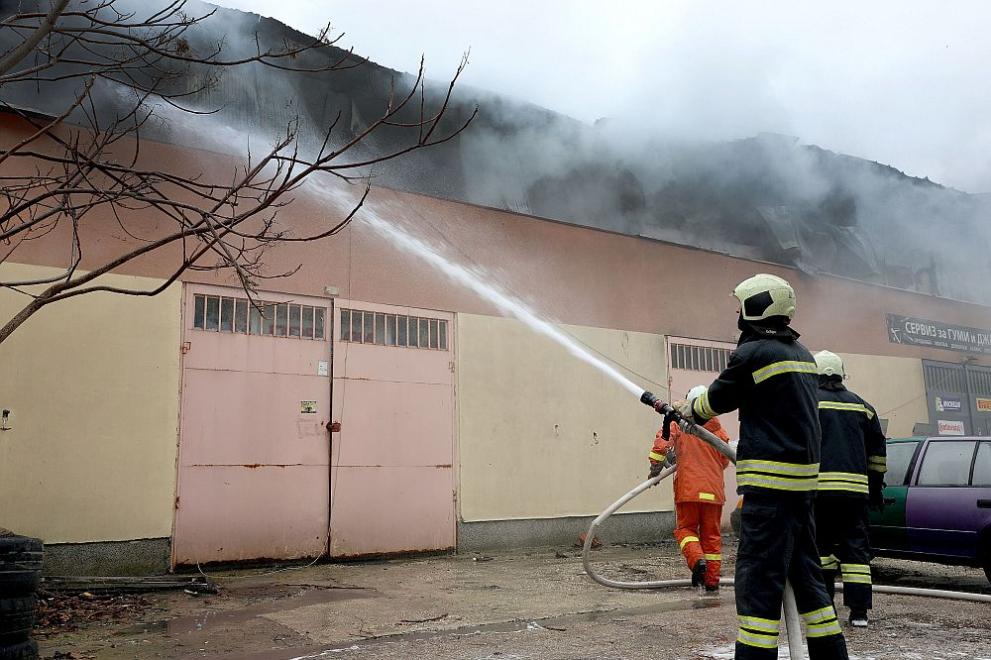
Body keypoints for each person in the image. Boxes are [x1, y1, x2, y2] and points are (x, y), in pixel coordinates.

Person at [669, 273, 848, 660]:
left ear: (756, 307)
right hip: (801, 490)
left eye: (741, 305)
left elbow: (717, 398)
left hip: (769, 492)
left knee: (758, 586)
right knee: (808, 580)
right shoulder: (800, 353)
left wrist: (691, 407)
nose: (737, 312)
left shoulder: (755, 353)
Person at [813, 350, 887, 628]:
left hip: (818, 493)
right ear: (842, 375)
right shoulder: (864, 408)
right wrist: (876, 489)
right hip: (855, 495)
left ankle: (824, 607)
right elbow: (878, 456)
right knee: (856, 552)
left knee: (820, 548)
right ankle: (859, 613)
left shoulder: (809, 404)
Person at [648, 385, 732, 591]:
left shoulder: (681, 424)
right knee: (711, 537)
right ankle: (711, 581)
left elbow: (662, 442)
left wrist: (655, 467)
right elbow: (725, 461)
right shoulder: (720, 433)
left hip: (689, 490)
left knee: (686, 530)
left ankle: (697, 562)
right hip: (714, 494)